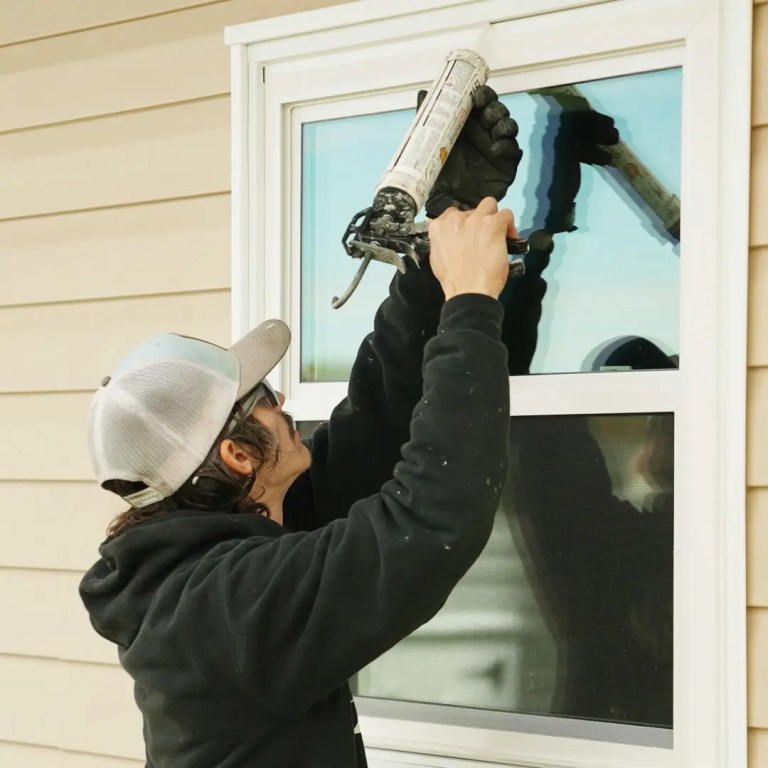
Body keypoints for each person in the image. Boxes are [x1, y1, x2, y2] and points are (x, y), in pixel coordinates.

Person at [79, 87, 523, 767]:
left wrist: (436, 255)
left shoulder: (226, 557)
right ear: (235, 454)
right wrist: (470, 302)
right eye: (258, 397)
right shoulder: (231, 603)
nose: (279, 397)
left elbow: (376, 423)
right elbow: (431, 521)